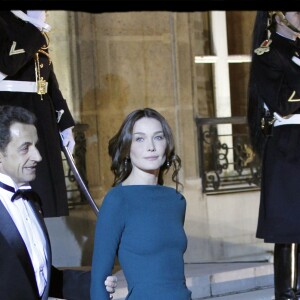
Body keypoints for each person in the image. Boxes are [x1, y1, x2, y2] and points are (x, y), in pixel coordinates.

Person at [0, 105, 117, 300]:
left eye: (36, 145)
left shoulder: (32, 200)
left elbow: (33, 274)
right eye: (25, 148)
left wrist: (93, 283)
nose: (37, 156)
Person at [90, 108, 192, 300]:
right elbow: (99, 280)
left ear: (167, 144)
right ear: (127, 148)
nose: (151, 147)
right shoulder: (117, 200)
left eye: (158, 137)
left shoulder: (176, 200)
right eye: (140, 139)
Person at [0, 10, 75, 217]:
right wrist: (34, 27)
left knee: (47, 191)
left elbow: (46, 77)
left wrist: (64, 121)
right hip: (12, 113)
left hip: (41, 114)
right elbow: (7, 62)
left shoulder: (29, 20)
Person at [247, 11, 300, 300]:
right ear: (277, 15)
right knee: (290, 228)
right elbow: (284, 103)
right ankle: (287, 295)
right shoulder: (267, 52)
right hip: (289, 147)